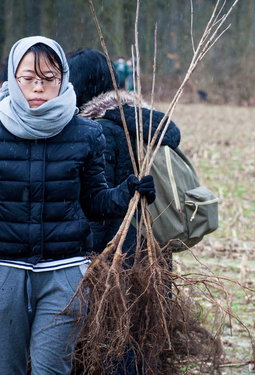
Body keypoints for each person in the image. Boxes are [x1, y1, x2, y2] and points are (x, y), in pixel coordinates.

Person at [0, 36, 155, 375]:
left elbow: (95, 203)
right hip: (5, 273)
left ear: (63, 78)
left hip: (63, 275)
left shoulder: (84, 133)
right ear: (13, 78)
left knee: (52, 368)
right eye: (28, 78)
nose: (38, 87)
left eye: (49, 78)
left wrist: (130, 190)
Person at [68, 48, 181, 256]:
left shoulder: (101, 130)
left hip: (118, 257)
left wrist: (89, 259)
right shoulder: (139, 121)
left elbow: (100, 212)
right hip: (151, 247)